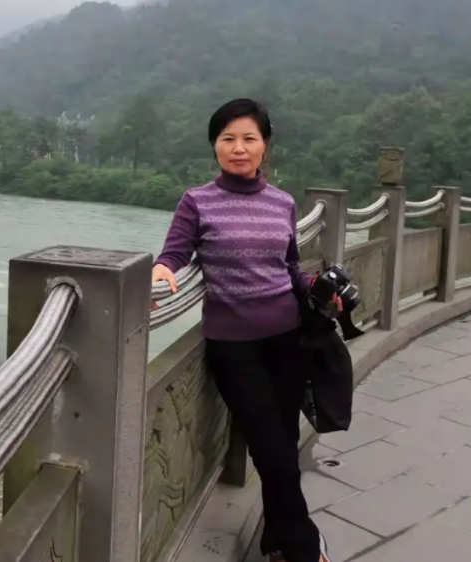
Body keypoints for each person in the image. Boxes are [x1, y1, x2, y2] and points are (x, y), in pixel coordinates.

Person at [152, 98, 332, 562]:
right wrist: (161, 271)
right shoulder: (197, 201)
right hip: (233, 346)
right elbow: (174, 253)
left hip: (287, 338)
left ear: (265, 145)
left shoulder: (282, 203)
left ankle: (277, 542)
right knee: (271, 448)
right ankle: (304, 547)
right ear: (214, 145)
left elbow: (290, 266)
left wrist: (315, 287)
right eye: (227, 138)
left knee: (282, 443)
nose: (238, 148)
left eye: (249, 138)